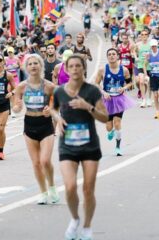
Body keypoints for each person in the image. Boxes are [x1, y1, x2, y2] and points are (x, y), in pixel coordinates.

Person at [50, 55, 108, 240]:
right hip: (67, 145)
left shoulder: (92, 91)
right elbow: (52, 108)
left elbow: (105, 117)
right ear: (66, 70)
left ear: (84, 68)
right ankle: (74, 219)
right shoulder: (60, 92)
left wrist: (87, 107)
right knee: (70, 187)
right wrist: (58, 118)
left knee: (88, 189)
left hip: (89, 145)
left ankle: (87, 226)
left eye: (78, 66)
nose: (75, 69)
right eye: (71, 66)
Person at [12, 54, 60, 205]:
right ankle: (43, 193)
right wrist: (17, 107)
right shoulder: (21, 87)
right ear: (26, 68)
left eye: (36, 63)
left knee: (45, 160)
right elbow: (16, 107)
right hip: (30, 124)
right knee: (36, 163)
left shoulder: (49, 86)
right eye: (30, 64)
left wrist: (50, 109)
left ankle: (52, 187)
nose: (33, 66)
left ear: (41, 66)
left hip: (45, 124)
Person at [93, 48, 134, 156]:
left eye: (113, 54)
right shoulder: (103, 70)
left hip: (119, 99)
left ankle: (118, 147)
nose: (111, 56)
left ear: (117, 56)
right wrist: (103, 92)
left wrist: (124, 87)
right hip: (107, 100)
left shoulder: (124, 70)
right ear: (107, 57)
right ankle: (110, 131)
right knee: (109, 126)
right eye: (109, 54)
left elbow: (130, 83)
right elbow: (96, 83)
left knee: (117, 123)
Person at [133, 30, 152, 107]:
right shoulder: (138, 44)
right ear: (140, 36)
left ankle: (149, 99)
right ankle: (143, 100)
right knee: (141, 82)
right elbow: (134, 51)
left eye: (145, 34)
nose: (144, 36)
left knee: (149, 83)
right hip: (141, 65)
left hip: (149, 66)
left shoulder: (151, 44)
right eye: (142, 34)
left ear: (148, 35)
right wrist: (136, 57)